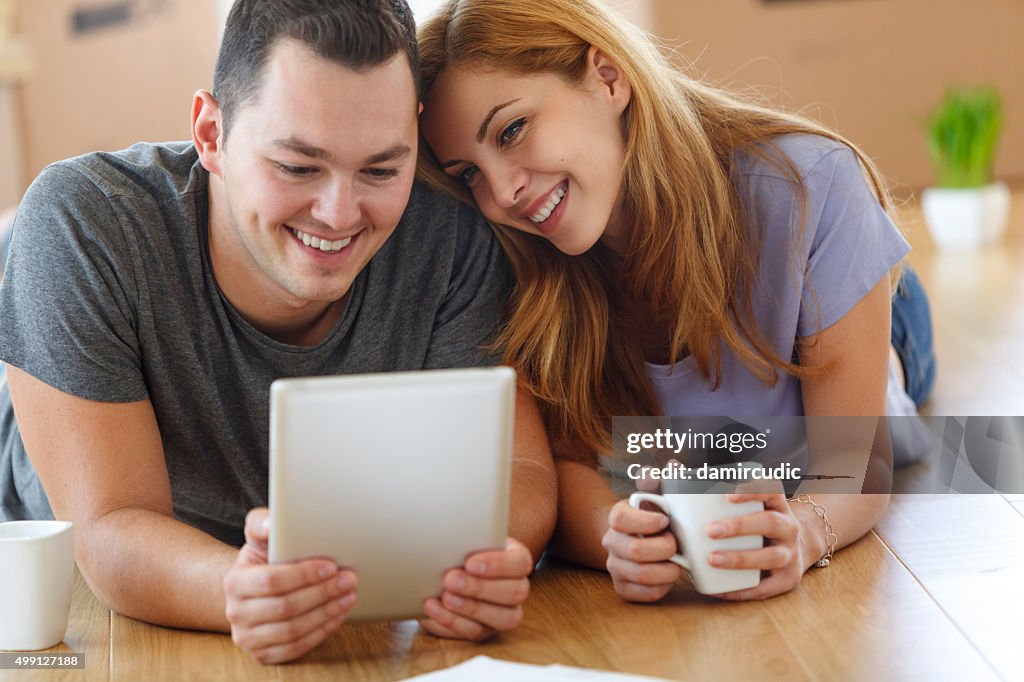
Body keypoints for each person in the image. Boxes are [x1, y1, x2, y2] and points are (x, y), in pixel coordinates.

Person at [0, 0, 556, 664]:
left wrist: (485, 562)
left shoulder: (451, 237)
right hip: (72, 619)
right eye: (297, 167)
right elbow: (111, 529)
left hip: (348, 621)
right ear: (211, 133)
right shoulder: (85, 225)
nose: (339, 214)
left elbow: (516, 471)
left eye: (381, 169)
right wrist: (238, 589)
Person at [416, 0, 935, 603]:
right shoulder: (519, 263)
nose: (503, 192)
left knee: (891, 363)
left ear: (608, 77)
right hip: (733, 427)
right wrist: (616, 537)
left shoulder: (811, 184)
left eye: (512, 130)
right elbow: (567, 465)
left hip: (873, 321)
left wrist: (807, 529)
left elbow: (855, 463)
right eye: (469, 174)